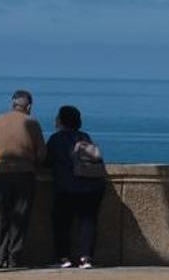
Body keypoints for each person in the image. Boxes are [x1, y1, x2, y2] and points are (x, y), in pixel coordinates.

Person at [0, 89, 47, 269]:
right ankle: (14, 257)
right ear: (29, 106)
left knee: (1, 215)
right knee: (20, 216)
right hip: (25, 174)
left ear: (13, 104)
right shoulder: (32, 123)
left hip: (2, 174)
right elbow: (42, 154)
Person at [45, 105, 106, 269]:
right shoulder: (85, 136)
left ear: (61, 120)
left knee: (62, 221)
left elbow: (46, 161)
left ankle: (63, 258)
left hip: (68, 187)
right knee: (88, 222)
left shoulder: (56, 139)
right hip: (93, 186)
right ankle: (86, 258)